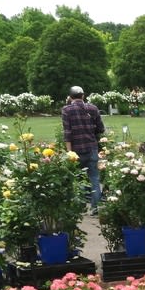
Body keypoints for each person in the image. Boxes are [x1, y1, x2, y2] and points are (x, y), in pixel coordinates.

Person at [61, 85, 105, 215]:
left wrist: (69, 152)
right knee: (94, 178)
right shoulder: (93, 108)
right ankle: (94, 208)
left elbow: (67, 132)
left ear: (70, 97)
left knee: (78, 178)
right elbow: (101, 129)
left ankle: (80, 208)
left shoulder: (66, 110)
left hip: (76, 149)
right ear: (83, 96)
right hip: (92, 147)